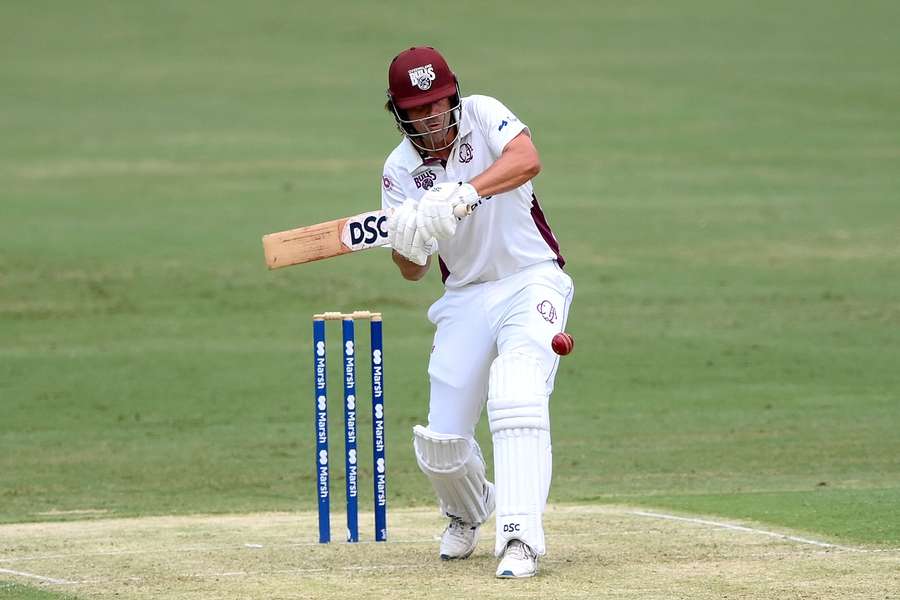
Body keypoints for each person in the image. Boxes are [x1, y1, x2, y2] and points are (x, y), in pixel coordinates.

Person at [381, 46, 574, 579]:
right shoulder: (398, 170)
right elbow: (411, 271)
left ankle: (519, 539)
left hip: (530, 277)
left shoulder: (485, 115)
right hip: (465, 297)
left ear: (453, 97)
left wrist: (464, 193)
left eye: (437, 104)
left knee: (516, 391)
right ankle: (468, 513)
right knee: (440, 444)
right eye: (416, 110)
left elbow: (527, 159)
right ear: (398, 113)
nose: (430, 118)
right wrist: (410, 241)